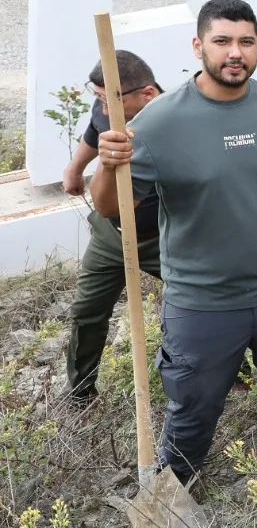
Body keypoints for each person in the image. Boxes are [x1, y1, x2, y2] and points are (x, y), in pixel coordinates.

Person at [91, 0, 257, 485]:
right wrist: (108, 164)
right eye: (222, 41)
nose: (236, 52)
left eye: (246, 42)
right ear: (198, 46)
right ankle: (177, 488)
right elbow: (108, 206)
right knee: (193, 407)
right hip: (202, 302)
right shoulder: (159, 123)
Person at [62, 52, 163, 405]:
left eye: (110, 100)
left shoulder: (172, 122)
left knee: (205, 304)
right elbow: (95, 130)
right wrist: (75, 168)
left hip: (166, 239)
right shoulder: (107, 109)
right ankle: (80, 393)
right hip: (112, 234)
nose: (103, 108)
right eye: (98, 97)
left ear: (147, 94)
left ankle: (238, 378)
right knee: (86, 312)